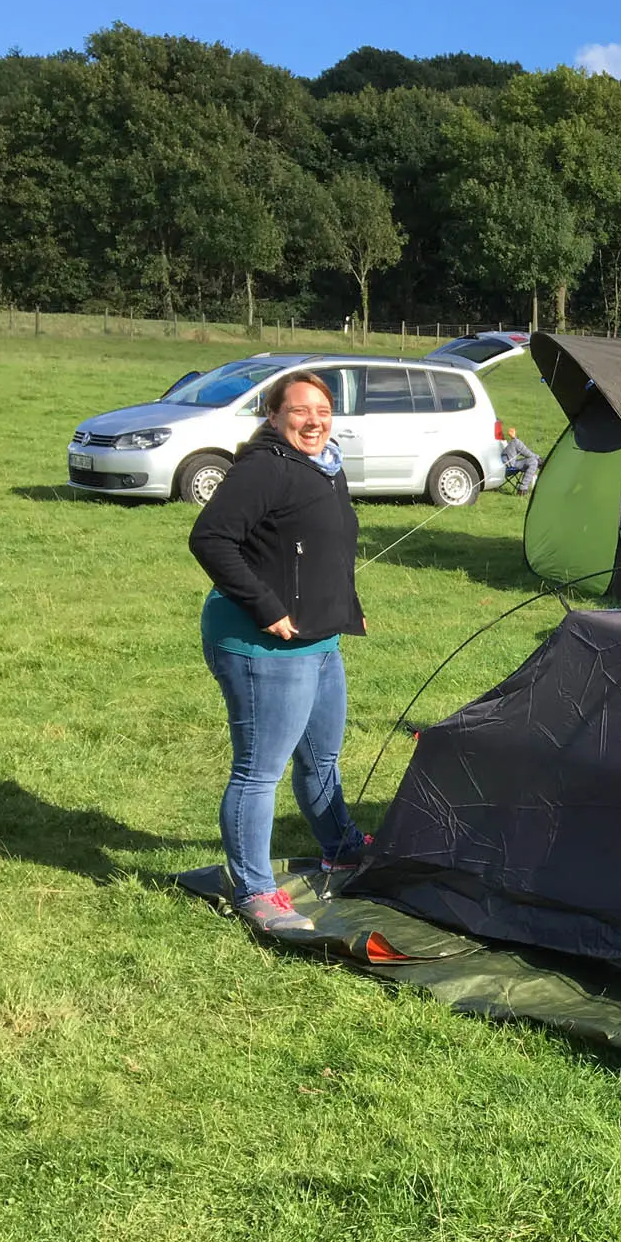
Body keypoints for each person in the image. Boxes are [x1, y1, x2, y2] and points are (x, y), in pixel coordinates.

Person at [189, 372, 370, 932]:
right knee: (257, 773)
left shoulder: (325, 465)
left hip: (321, 637)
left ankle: (341, 850)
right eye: (299, 410)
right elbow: (210, 538)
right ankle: (255, 889)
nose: (313, 420)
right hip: (261, 644)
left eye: (323, 409)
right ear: (273, 417)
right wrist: (267, 607)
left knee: (321, 760)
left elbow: (330, 546)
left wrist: (347, 603)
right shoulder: (265, 467)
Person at [501, 426, 541, 495]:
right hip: (502, 466)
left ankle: (522, 490)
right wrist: (514, 439)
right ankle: (539, 460)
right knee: (516, 442)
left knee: (533, 462)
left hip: (511, 465)